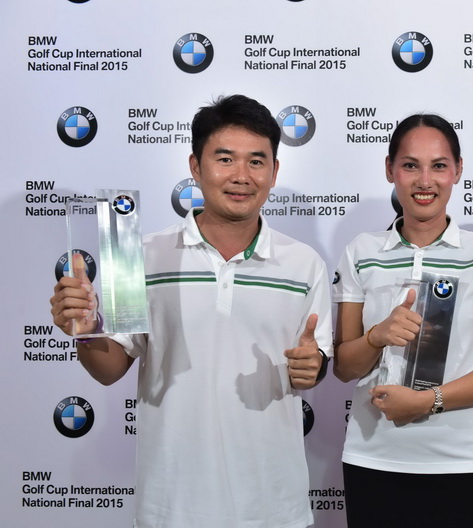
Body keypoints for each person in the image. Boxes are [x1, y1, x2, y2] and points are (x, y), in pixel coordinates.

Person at [49, 94, 332, 528]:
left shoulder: (305, 263)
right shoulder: (140, 256)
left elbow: (314, 365)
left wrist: (312, 368)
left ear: (275, 172)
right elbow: (109, 370)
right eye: (225, 159)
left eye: (257, 161)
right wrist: (86, 331)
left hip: (273, 507)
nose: (241, 176)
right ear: (196, 167)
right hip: (171, 507)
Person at [332, 114, 473, 527]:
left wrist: (427, 401)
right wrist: (376, 337)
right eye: (410, 165)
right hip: (372, 457)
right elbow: (345, 368)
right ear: (390, 169)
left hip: (459, 462)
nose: (425, 181)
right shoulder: (361, 251)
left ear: (458, 170)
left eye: (439, 166)